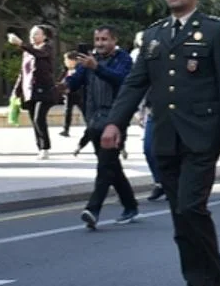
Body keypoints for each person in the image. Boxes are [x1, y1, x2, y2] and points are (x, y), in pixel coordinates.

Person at [102, 0, 220, 286]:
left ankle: (217, 283)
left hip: (202, 136)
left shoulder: (216, 31)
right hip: (165, 137)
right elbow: (135, 84)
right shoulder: (153, 36)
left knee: (191, 208)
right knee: (179, 218)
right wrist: (114, 122)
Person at [66, 26, 139, 228]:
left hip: (115, 121)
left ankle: (93, 209)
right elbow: (77, 81)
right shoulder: (89, 60)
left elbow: (122, 80)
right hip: (94, 120)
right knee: (111, 166)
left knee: (105, 166)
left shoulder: (123, 59)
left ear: (114, 40)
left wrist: (97, 67)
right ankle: (130, 205)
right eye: (97, 39)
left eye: (104, 39)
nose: (99, 43)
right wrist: (65, 83)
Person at [9, 24, 56, 159]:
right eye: (31, 34)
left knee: (39, 118)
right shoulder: (27, 52)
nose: (33, 36)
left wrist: (20, 43)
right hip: (29, 90)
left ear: (44, 36)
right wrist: (16, 91)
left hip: (45, 89)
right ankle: (39, 147)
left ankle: (45, 147)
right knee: (33, 120)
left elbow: (39, 54)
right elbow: (22, 73)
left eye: (36, 33)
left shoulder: (47, 48)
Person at [59, 51, 84, 137]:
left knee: (85, 111)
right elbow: (63, 80)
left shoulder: (80, 68)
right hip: (69, 94)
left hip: (79, 94)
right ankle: (66, 130)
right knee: (67, 112)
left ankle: (94, 127)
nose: (65, 62)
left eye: (66, 60)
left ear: (73, 60)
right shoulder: (67, 69)